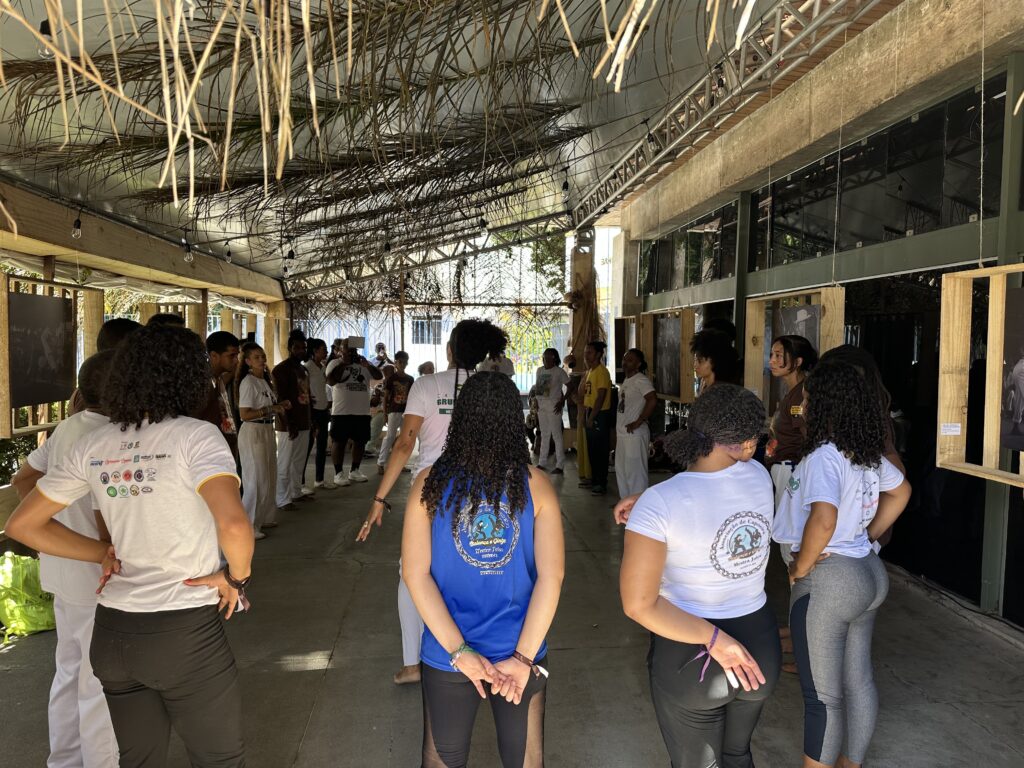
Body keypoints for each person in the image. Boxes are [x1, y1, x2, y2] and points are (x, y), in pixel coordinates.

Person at [5, 324, 254, 768]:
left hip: (114, 633)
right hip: (184, 631)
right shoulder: (196, 436)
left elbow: (22, 524)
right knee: (219, 758)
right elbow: (234, 526)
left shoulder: (95, 443)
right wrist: (235, 578)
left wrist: (100, 553)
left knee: (138, 759)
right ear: (188, 377)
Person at [402, 372, 564, 767]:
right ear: (514, 420)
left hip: (448, 654)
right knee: (528, 761)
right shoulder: (537, 485)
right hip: (520, 651)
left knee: (440, 760)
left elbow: (415, 574)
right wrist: (523, 658)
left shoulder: (428, 485)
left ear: (460, 418)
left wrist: (459, 652)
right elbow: (552, 577)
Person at [617, 383, 778, 768]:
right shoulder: (759, 475)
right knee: (738, 755)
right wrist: (649, 502)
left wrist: (713, 639)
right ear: (745, 442)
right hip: (758, 648)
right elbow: (714, 495)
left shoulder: (661, 503)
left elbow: (638, 605)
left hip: (691, 655)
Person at [773, 361, 911, 768]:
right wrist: (867, 538)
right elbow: (902, 491)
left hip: (831, 582)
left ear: (825, 405)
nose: (804, 406)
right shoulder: (864, 453)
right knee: (859, 681)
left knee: (823, 698)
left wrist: (800, 567)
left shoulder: (824, 457)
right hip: (867, 573)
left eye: (809, 399)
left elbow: (824, 518)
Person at [359, 318, 509, 686]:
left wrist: (379, 498)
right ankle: (475, 653)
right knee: (471, 566)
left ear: (450, 350)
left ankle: (413, 663)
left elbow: (405, 442)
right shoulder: (487, 386)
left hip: (432, 491)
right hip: (479, 490)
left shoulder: (426, 385)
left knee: (413, 572)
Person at [11, 352, 119, 768]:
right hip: (98, 574)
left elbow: (23, 478)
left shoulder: (68, 427)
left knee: (69, 670)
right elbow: (105, 520)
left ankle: (64, 760)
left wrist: (50, 527)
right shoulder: (110, 436)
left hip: (62, 567)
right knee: (98, 681)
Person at [237, 342, 290, 539]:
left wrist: (279, 405)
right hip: (254, 431)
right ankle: (249, 525)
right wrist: (270, 409)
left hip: (267, 428)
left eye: (263, 356)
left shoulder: (264, 381)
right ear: (248, 361)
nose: (262, 360)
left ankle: (265, 516)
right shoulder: (248, 382)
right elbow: (245, 414)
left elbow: (268, 405)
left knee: (269, 474)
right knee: (256, 479)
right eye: (256, 357)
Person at [766, 335, 818, 522]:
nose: (772, 360)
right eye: (772, 355)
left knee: (787, 528)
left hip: (791, 469)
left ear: (798, 361)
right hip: (786, 469)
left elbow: (806, 435)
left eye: (778, 355)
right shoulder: (794, 391)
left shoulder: (800, 395)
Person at [326, 345, 384, 485]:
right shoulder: (335, 363)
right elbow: (331, 381)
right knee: (339, 442)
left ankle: (355, 470)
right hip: (342, 411)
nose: (352, 353)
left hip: (362, 411)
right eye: (348, 351)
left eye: (354, 351)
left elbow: (378, 376)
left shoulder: (363, 362)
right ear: (341, 351)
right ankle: (338, 473)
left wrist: (367, 365)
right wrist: (344, 363)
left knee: (360, 441)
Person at [272, 332, 313, 510]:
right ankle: (282, 499)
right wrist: (289, 423)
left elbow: (307, 396)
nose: (301, 351)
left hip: (304, 420)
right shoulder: (281, 370)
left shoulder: (303, 370)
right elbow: (280, 398)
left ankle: (296, 492)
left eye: (304, 347)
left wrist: (310, 420)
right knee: (285, 462)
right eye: (297, 347)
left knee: (299, 461)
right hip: (287, 424)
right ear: (289, 348)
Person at [615, 349, 657, 498]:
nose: (625, 363)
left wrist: (639, 421)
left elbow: (652, 399)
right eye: (624, 359)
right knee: (622, 472)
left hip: (635, 435)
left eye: (630, 360)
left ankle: (639, 507)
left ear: (638, 364)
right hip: (623, 434)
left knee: (635, 474)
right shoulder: (627, 380)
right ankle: (626, 505)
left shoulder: (641, 380)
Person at [197, 331, 241, 462]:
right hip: (209, 454)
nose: (236, 360)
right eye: (232, 356)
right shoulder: (202, 383)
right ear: (214, 355)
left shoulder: (219, 378)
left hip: (224, 450)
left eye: (237, 355)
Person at [303, 338, 335, 491]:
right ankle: (301, 483)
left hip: (323, 410)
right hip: (312, 411)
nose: (326, 352)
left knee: (322, 447)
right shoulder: (307, 368)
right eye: (323, 349)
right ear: (314, 351)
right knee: (307, 446)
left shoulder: (322, 367)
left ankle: (319, 480)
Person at [582, 340, 612, 495]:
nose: (586, 355)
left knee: (600, 450)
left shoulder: (601, 372)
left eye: (590, 352)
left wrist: (591, 417)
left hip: (599, 414)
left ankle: (601, 483)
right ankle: (594, 479)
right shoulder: (590, 371)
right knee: (592, 449)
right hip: (590, 411)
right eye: (585, 352)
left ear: (599, 354)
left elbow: (600, 397)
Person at [378, 351, 414, 473]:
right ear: (396, 362)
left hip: (406, 412)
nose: (402, 364)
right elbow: (386, 397)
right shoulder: (391, 379)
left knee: (404, 438)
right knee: (390, 437)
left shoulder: (410, 379)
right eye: (400, 362)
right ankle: (381, 463)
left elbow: (411, 397)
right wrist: (385, 414)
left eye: (405, 362)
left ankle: (400, 464)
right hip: (393, 411)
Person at [534, 348, 569, 474]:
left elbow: (570, 386)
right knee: (544, 434)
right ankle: (542, 462)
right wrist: (536, 401)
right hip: (541, 406)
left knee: (556, 435)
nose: (546, 359)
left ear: (554, 358)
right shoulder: (539, 370)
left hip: (554, 406)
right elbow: (538, 387)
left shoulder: (559, 372)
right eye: (544, 357)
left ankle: (560, 464)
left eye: (549, 357)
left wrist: (562, 400)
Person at [691, 328, 740, 395]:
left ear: (714, 361)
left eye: (700, 360)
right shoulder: (704, 383)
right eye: (695, 359)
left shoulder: (723, 391)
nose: (695, 365)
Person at [367, 364, 394, 457]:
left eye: (391, 372)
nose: (388, 374)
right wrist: (377, 396)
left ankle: (395, 447)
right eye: (386, 372)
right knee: (377, 421)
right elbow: (373, 403)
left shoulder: (397, 385)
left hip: (395, 411)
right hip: (382, 412)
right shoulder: (379, 386)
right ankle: (369, 448)